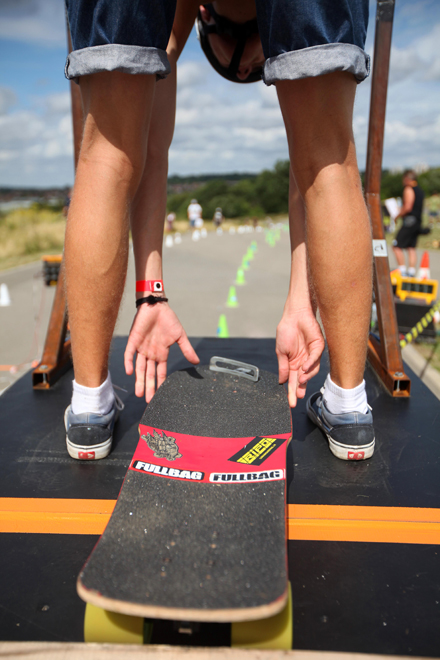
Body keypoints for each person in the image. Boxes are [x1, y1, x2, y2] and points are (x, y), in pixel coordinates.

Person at [63, 0, 374, 464]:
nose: (250, 65)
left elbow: (143, 149)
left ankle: (90, 406)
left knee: (106, 154)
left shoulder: (185, 14)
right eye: (247, 59)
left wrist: (299, 299)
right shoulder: (198, 12)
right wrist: (152, 293)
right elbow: (312, 172)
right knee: (329, 156)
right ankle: (348, 408)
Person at [392, 170, 426, 277]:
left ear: (407, 179)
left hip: (409, 221)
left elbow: (407, 207)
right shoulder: (420, 190)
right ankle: (411, 271)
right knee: (411, 247)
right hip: (417, 221)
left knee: (396, 245)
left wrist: (397, 216)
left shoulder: (408, 189)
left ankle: (402, 270)